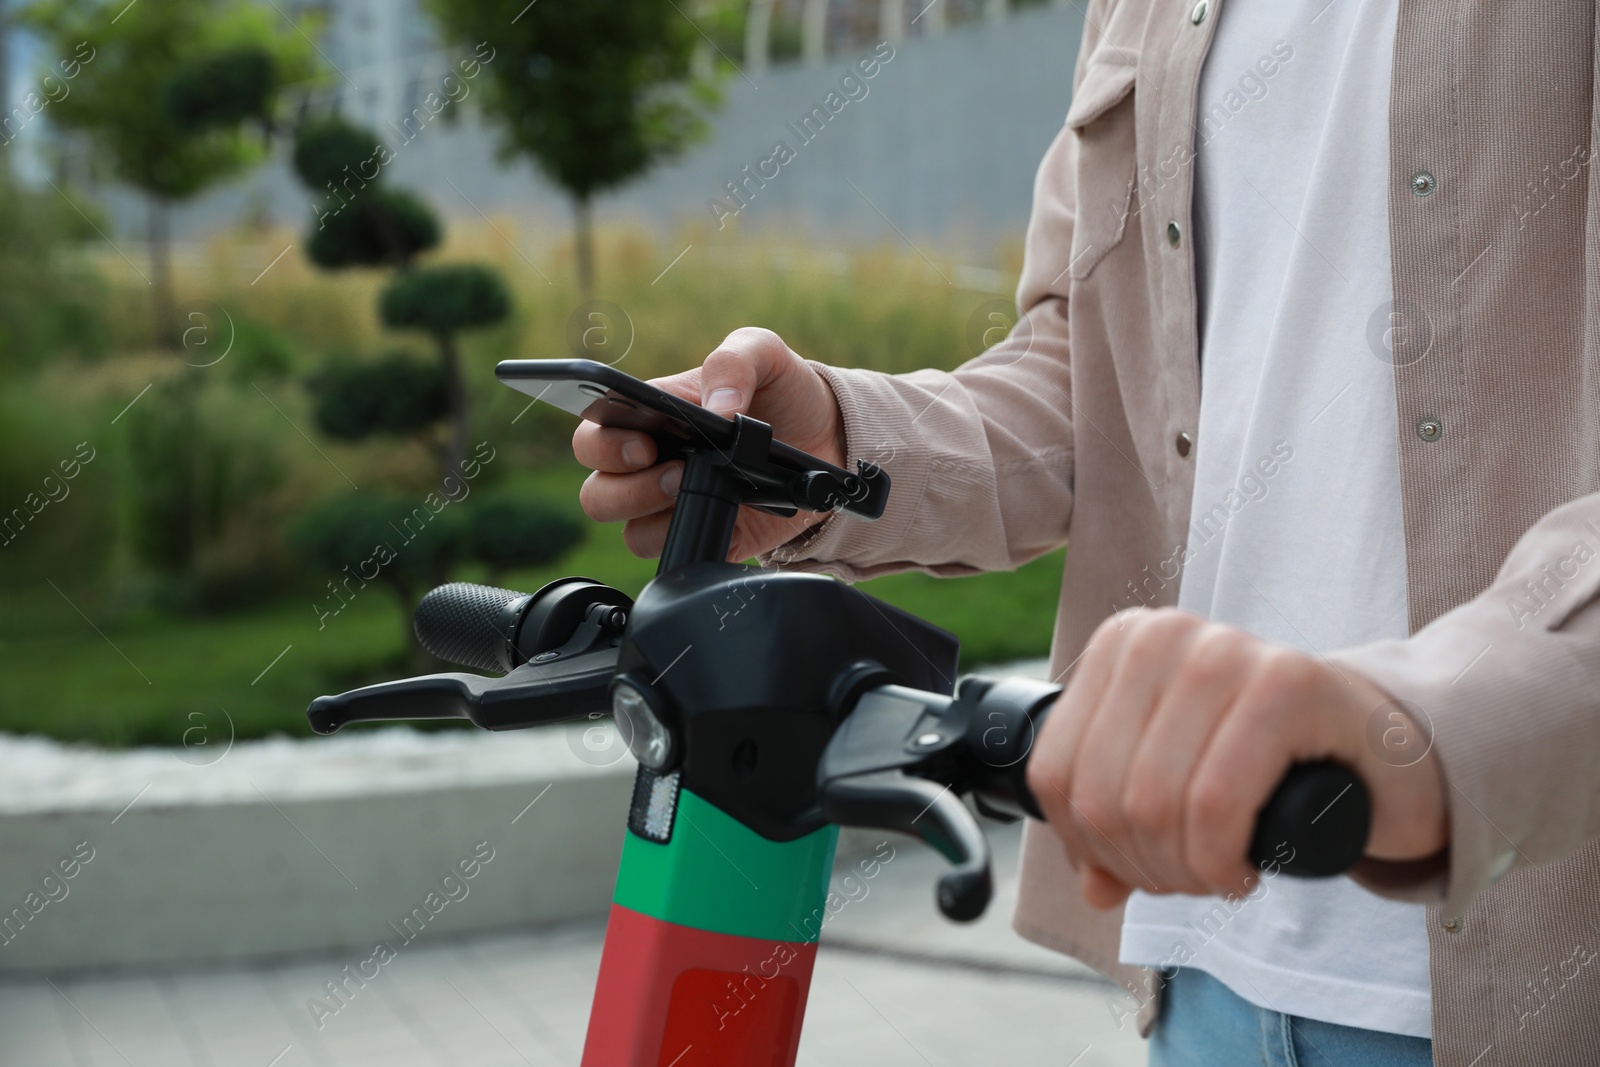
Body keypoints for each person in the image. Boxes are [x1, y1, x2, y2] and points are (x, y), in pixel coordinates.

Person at [572, 1, 1600, 1063]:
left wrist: (1402, 729)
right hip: (1201, 955)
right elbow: (1093, 375)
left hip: (1522, 972)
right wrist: (835, 446)